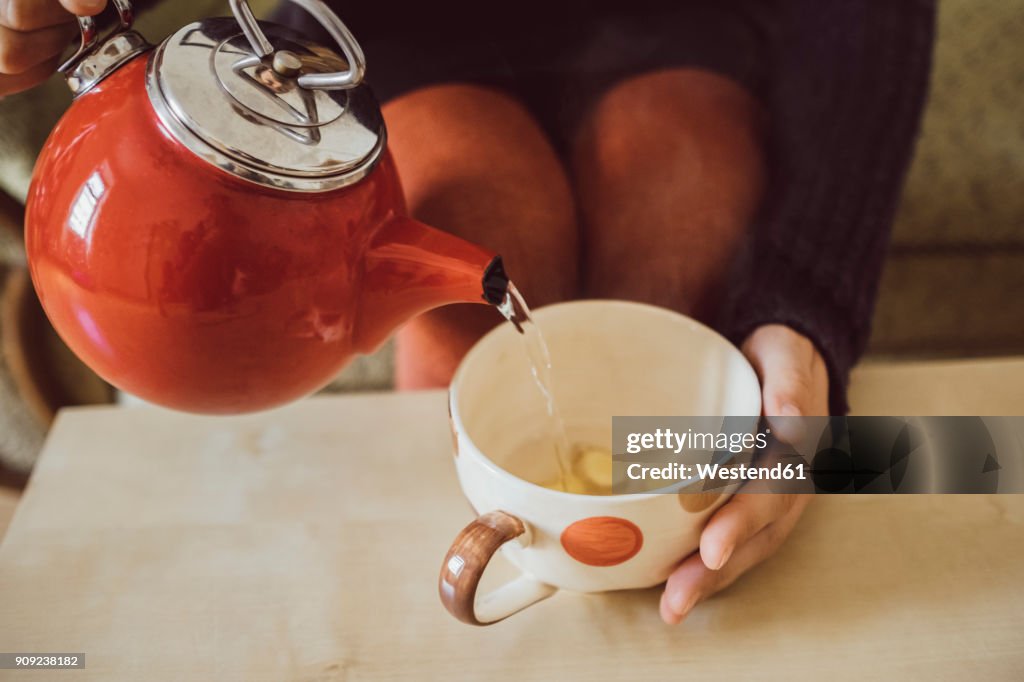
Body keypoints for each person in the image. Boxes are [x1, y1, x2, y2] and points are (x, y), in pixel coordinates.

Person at [0, 0, 935, 625]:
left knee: (679, 321)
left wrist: (806, 309)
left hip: (679, 20)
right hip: (380, 32)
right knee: (466, 327)